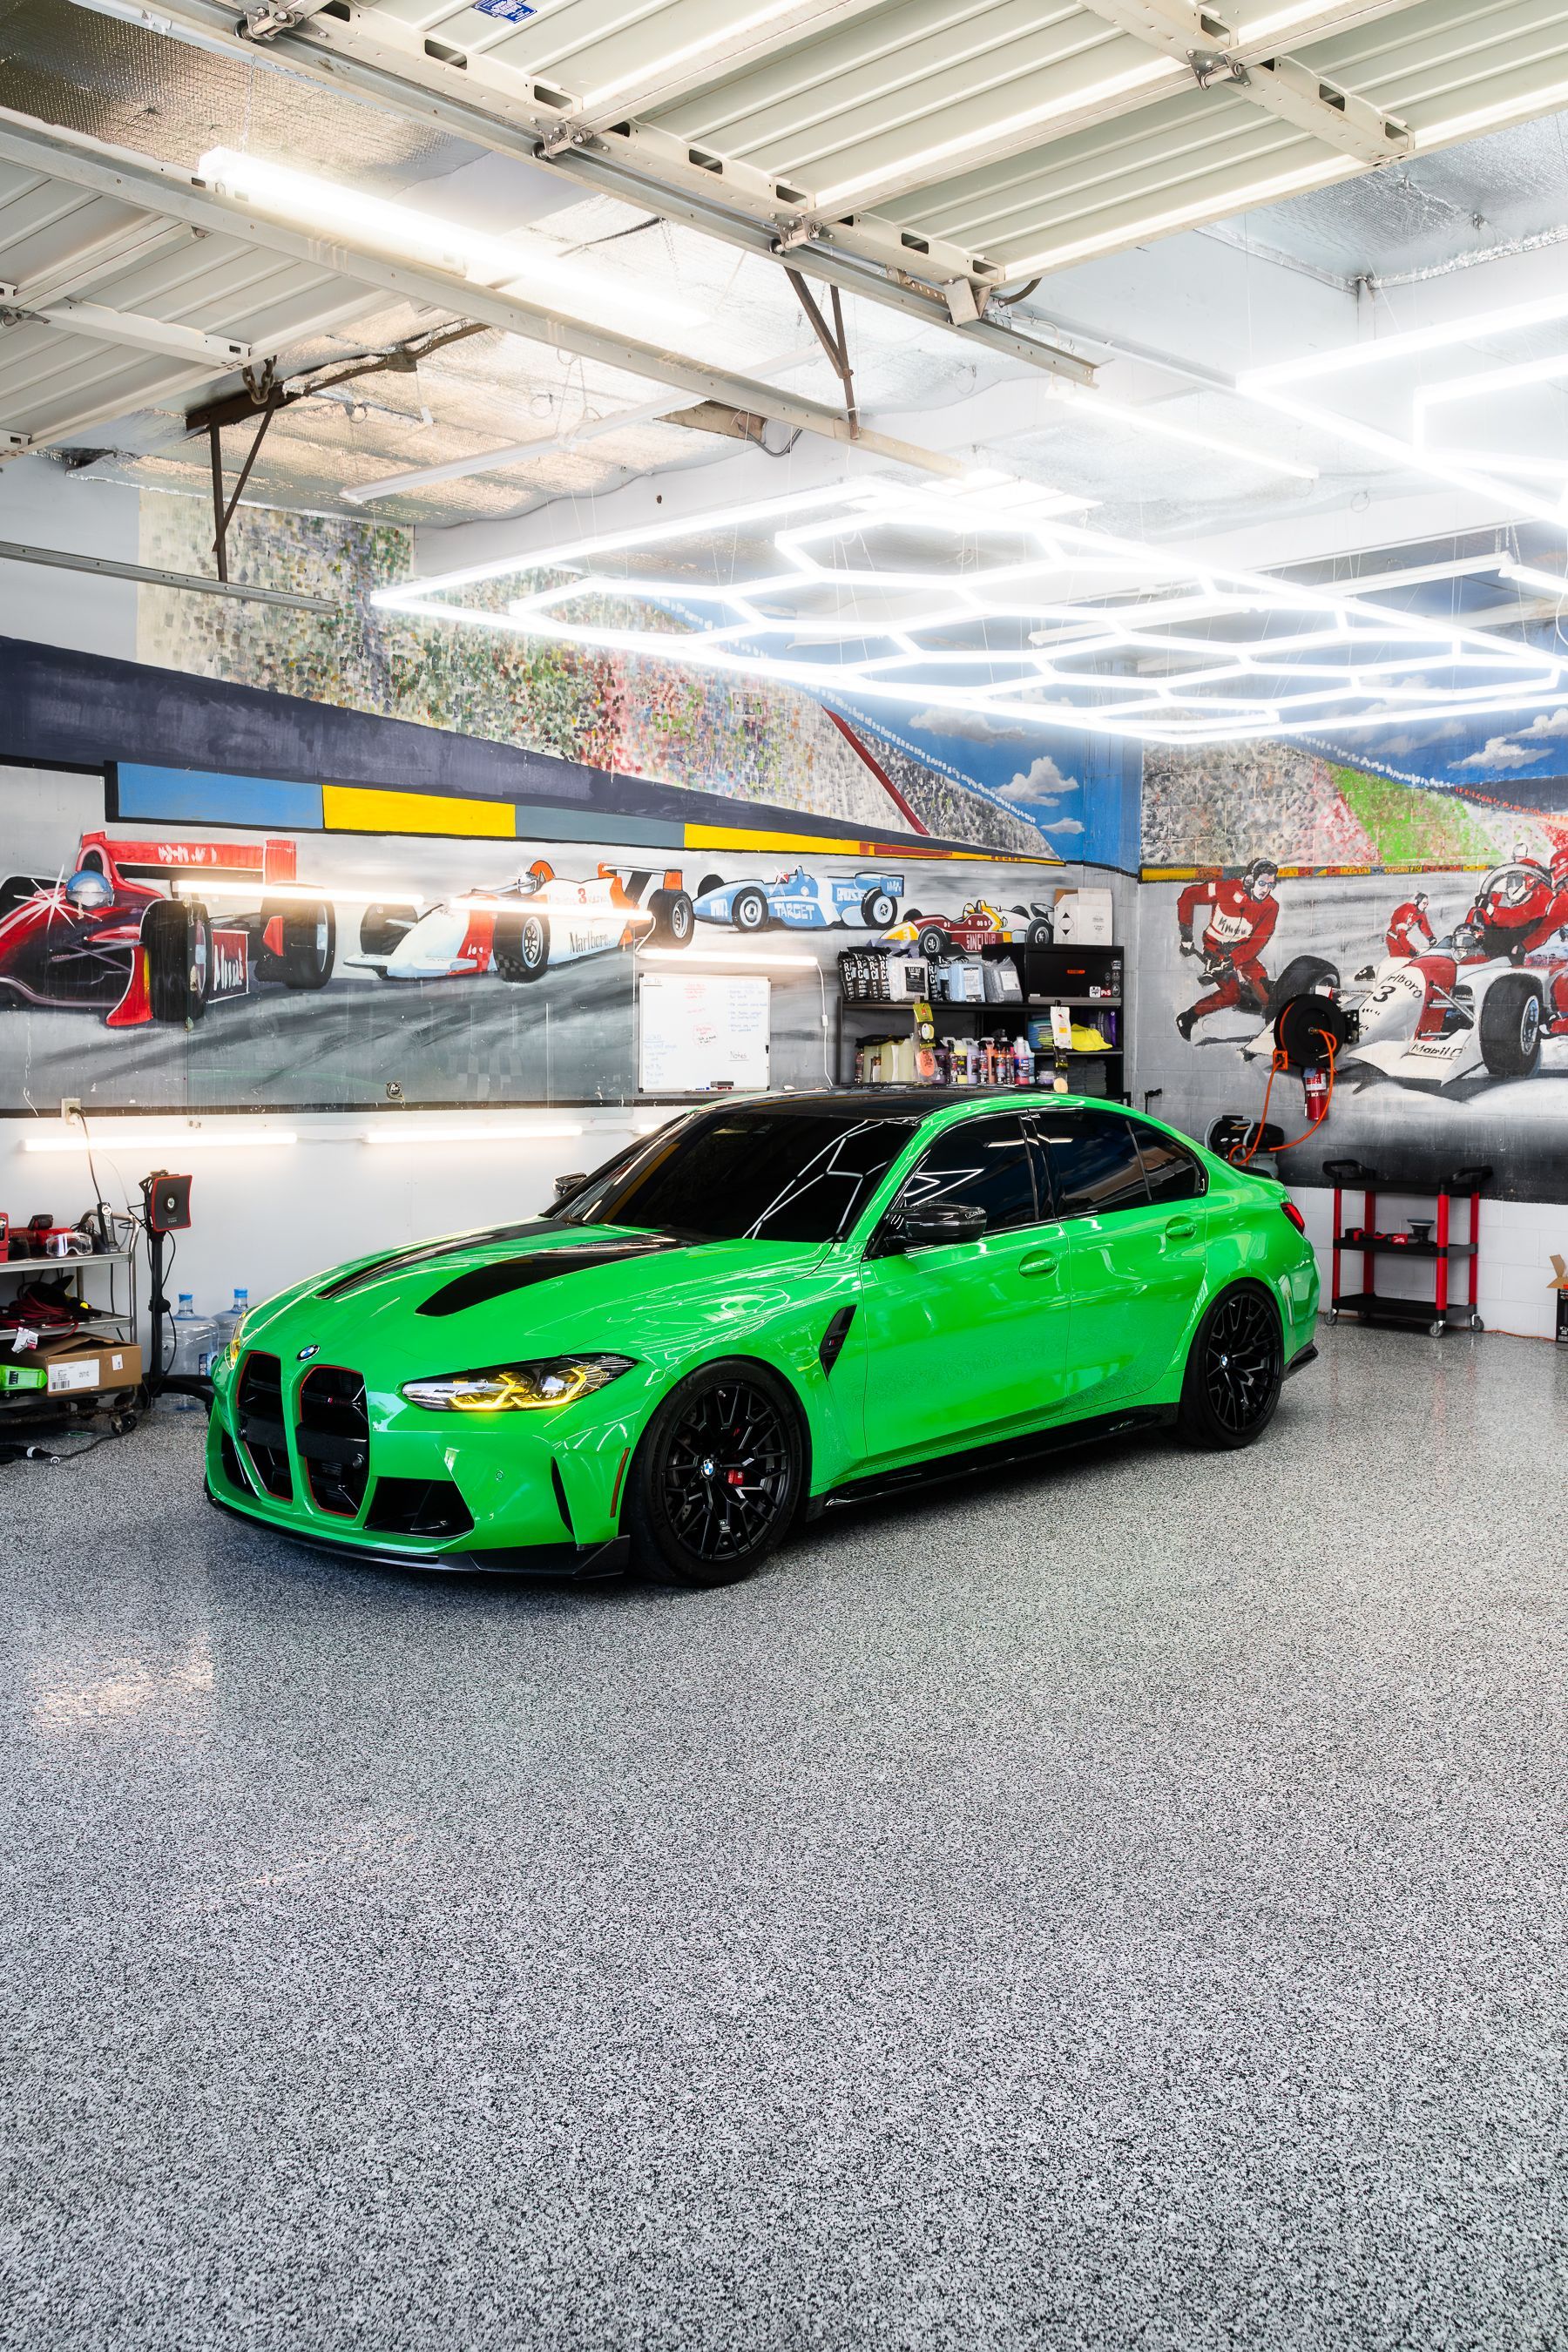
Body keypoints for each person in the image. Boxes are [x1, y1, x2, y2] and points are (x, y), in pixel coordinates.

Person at [1174, 859, 1279, 1038]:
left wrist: (1233, 961)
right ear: (1249, 880)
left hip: (1243, 953)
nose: (1266, 890)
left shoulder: (1271, 907)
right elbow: (1188, 896)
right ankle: (1189, 1017)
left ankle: (1274, 1030)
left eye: (1271, 885)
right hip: (1215, 950)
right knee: (1231, 996)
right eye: (1262, 883)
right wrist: (1186, 937)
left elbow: (1257, 943)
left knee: (1265, 991)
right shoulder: (1224, 888)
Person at [1384, 891, 1434, 961]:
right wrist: (1411, 951)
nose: (1426, 906)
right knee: (1402, 961)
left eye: (1427, 904)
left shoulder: (1420, 912)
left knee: (1411, 959)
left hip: (1402, 939)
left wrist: (1431, 937)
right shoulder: (1406, 910)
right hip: (1394, 940)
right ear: (1417, 902)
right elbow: (1401, 936)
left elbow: (1424, 925)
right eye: (1424, 903)